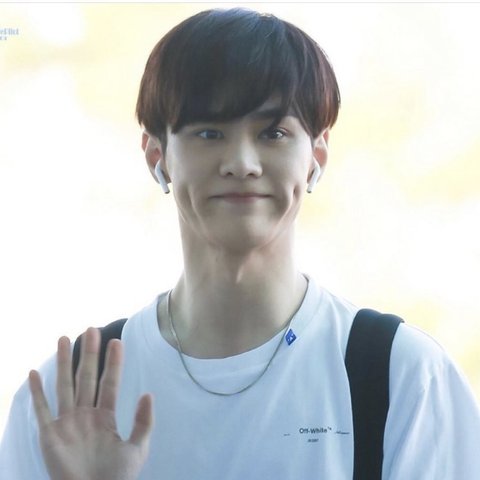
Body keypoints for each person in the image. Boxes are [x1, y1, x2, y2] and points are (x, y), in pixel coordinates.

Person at [1, 7, 480, 479]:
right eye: (210, 133)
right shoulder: (65, 402)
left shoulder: (404, 378)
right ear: (156, 156)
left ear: (316, 156)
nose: (242, 163)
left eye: (274, 133)